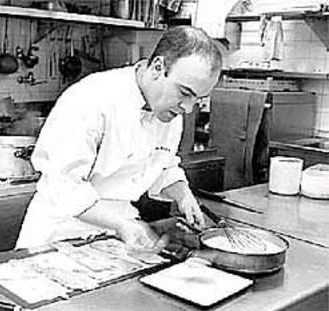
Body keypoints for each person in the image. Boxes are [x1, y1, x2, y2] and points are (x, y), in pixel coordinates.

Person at [16, 26, 223, 253]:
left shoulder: (169, 109)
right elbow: (62, 185)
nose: (188, 108)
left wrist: (182, 194)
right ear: (157, 68)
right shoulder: (91, 98)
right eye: (185, 93)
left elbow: (161, 163)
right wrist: (122, 224)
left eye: (198, 99)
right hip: (60, 235)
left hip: (117, 236)